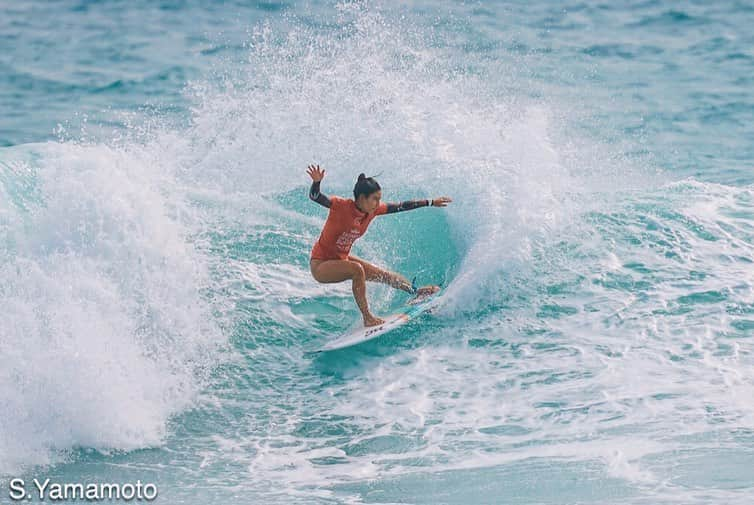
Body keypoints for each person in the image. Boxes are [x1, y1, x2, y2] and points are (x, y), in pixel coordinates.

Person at [306, 163, 452, 327]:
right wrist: (317, 182)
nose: (378, 203)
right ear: (362, 198)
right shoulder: (340, 206)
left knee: (383, 275)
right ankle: (367, 317)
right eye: (375, 199)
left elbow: (401, 206)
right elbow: (315, 196)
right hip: (321, 264)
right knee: (357, 269)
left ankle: (416, 291)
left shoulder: (372, 211)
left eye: (379, 199)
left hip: (341, 259)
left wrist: (430, 202)